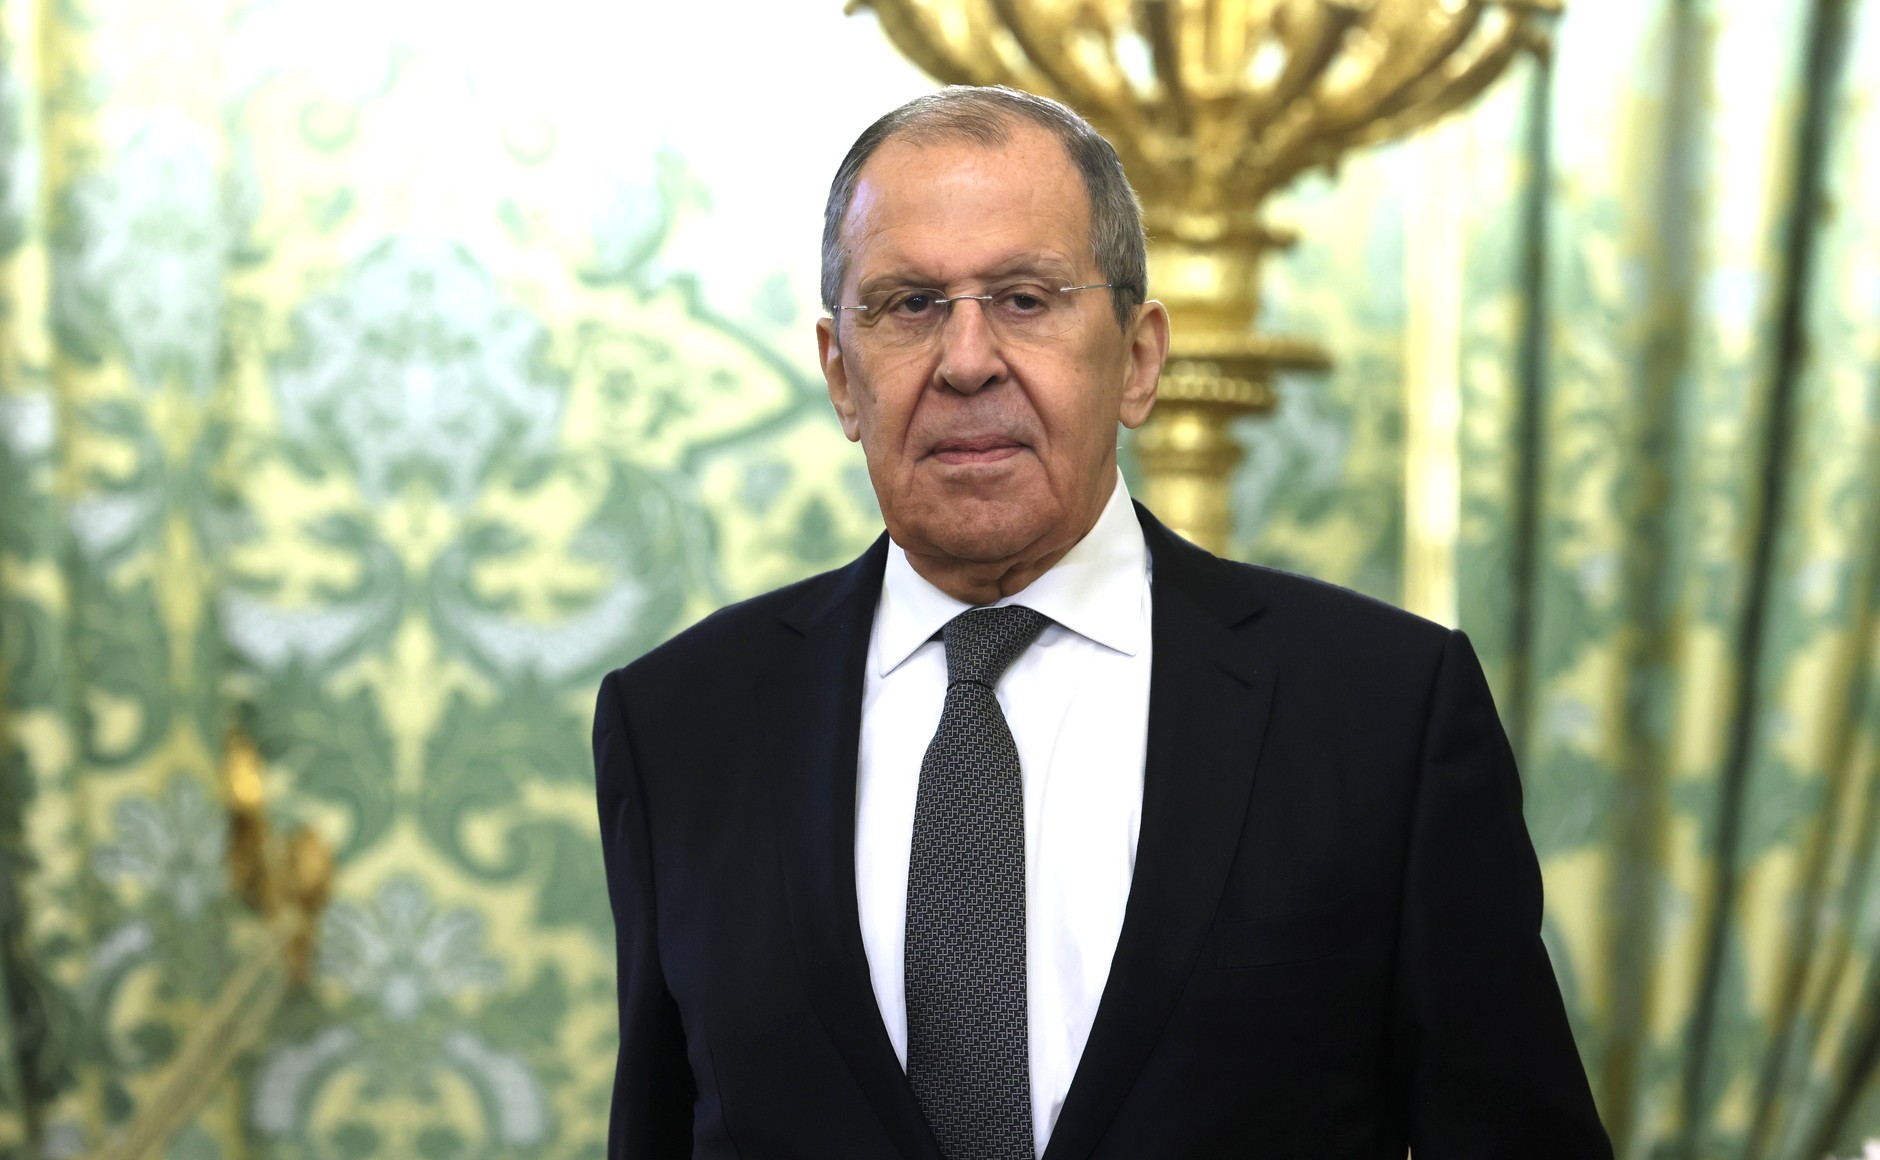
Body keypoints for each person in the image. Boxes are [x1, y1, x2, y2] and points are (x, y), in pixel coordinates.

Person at [593, 85, 1611, 1159]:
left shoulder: (1383, 712)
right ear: (842, 375)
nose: (967, 359)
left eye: (1026, 298)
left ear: (1137, 357)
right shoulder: (678, 725)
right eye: (910, 304)